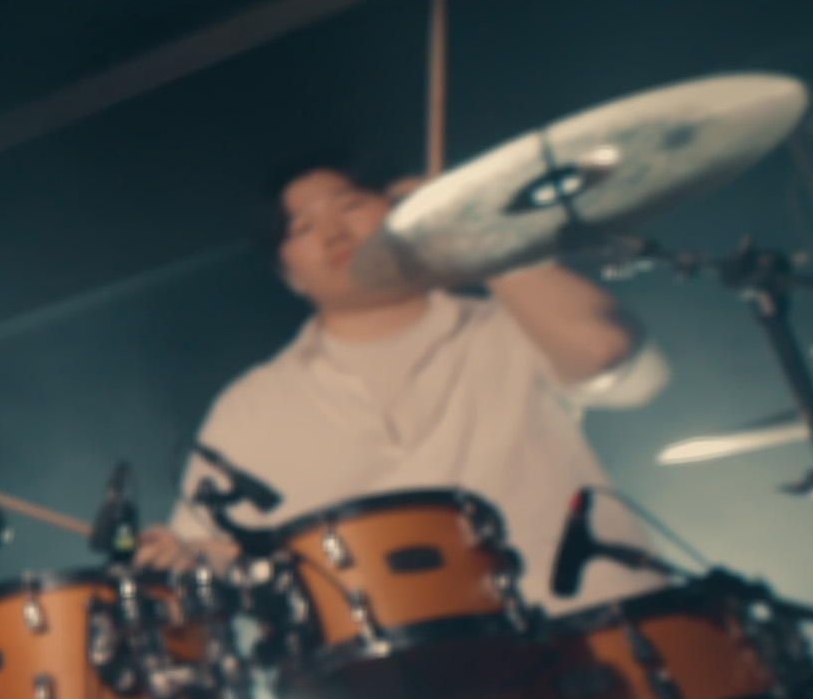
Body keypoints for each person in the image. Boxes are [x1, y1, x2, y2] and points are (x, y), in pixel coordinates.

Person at [155, 157, 669, 598]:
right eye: (302, 228)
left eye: (350, 205)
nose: (334, 233)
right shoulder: (252, 404)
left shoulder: (509, 326)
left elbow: (606, 352)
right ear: (287, 274)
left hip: (594, 628)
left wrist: (465, 228)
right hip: (401, 670)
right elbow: (207, 549)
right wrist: (178, 555)